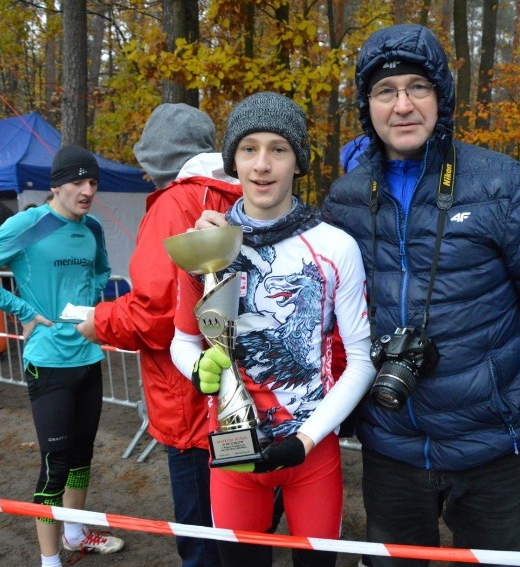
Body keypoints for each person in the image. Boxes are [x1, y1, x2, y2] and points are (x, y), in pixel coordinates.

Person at [320, 24, 520, 566]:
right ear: (366, 106)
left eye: (417, 87)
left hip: (494, 446)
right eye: (385, 90)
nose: (402, 105)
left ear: (441, 98)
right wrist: (231, 229)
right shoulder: (345, 199)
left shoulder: (503, 184)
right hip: (390, 444)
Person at [171, 91, 375, 567]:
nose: (262, 164)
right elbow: (182, 343)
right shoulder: (208, 244)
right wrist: (198, 365)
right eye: (249, 149)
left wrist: (305, 440)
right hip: (234, 453)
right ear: (232, 161)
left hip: (310, 453)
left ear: (298, 161)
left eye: (278, 149)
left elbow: (362, 361)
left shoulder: (335, 246)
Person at [76, 103, 241, 567]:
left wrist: (98, 322)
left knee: (201, 531)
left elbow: (153, 312)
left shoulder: (175, 202)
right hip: (246, 394)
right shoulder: (245, 191)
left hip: (189, 401)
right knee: (244, 523)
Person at [0, 145, 124, 567]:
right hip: (47, 361)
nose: (87, 190)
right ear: (56, 184)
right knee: (55, 464)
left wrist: (87, 304)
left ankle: (76, 534)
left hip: (88, 356)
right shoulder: (29, 224)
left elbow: (102, 269)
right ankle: (50, 562)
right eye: (77, 182)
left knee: (82, 456)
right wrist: (24, 310)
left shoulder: (93, 227)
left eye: (93, 182)